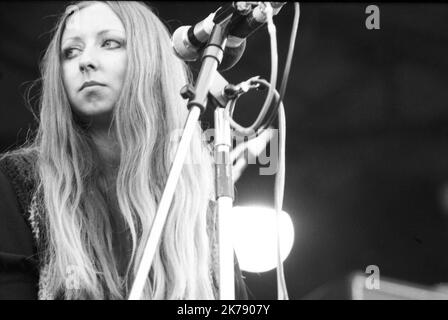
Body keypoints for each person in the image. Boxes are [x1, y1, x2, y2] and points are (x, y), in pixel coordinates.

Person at [0, 1, 248, 300]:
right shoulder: (19, 183)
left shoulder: (199, 208)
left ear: (151, 59)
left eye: (109, 43)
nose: (85, 61)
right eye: (71, 52)